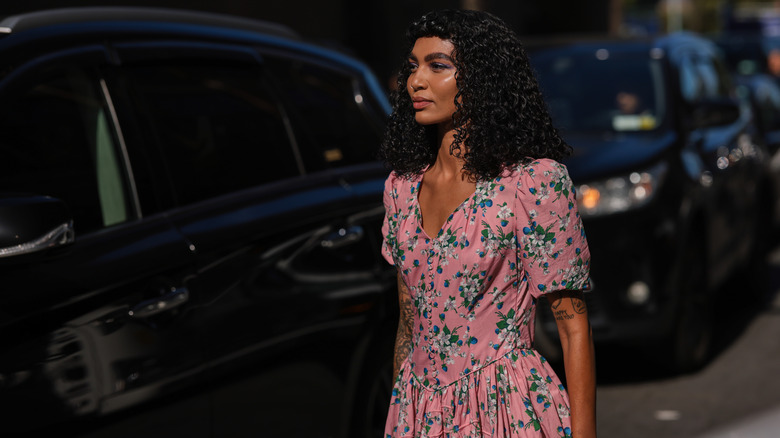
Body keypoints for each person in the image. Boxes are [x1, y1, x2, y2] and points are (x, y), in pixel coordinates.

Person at [379, 9, 596, 438]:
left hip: (505, 408)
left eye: (437, 66)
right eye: (413, 67)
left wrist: (585, 434)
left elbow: (573, 328)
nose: (416, 81)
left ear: (482, 79)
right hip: (419, 409)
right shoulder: (400, 188)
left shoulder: (531, 183)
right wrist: (402, 412)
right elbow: (408, 320)